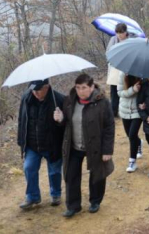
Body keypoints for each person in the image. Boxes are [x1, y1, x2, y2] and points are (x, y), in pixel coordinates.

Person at [54, 73, 115, 218]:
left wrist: (107, 150)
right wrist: (60, 119)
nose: (80, 91)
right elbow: (66, 123)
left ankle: (95, 201)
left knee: (97, 174)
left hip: (95, 145)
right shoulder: (69, 101)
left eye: (84, 87)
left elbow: (109, 127)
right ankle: (73, 206)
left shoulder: (102, 102)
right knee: (71, 175)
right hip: (74, 146)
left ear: (92, 87)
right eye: (77, 87)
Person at [17, 79, 65, 210]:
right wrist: (21, 140)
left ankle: (56, 194)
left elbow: (69, 125)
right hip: (32, 144)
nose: (35, 93)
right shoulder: (26, 98)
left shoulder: (59, 99)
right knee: (29, 168)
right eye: (33, 90)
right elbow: (21, 120)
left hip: (52, 145)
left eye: (38, 90)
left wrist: (61, 120)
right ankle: (32, 197)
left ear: (47, 87)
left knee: (54, 172)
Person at [117, 73, 143, 173]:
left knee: (132, 135)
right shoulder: (122, 74)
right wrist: (133, 90)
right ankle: (139, 142)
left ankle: (132, 162)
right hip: (124, 110)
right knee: (130, 135)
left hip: (137, 111)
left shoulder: (143, 75)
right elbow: (119, 92)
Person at [106, 23, 129, 118]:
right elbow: (108, 52)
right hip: (115, 68)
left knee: (124, 90)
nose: (119, 35)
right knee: (114, 91)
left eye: (121, 32)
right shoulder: (113, 40)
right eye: (117, 32)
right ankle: (113, 112)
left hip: (126, 69)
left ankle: (124, 111)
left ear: (125, 32)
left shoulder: (130, 41)